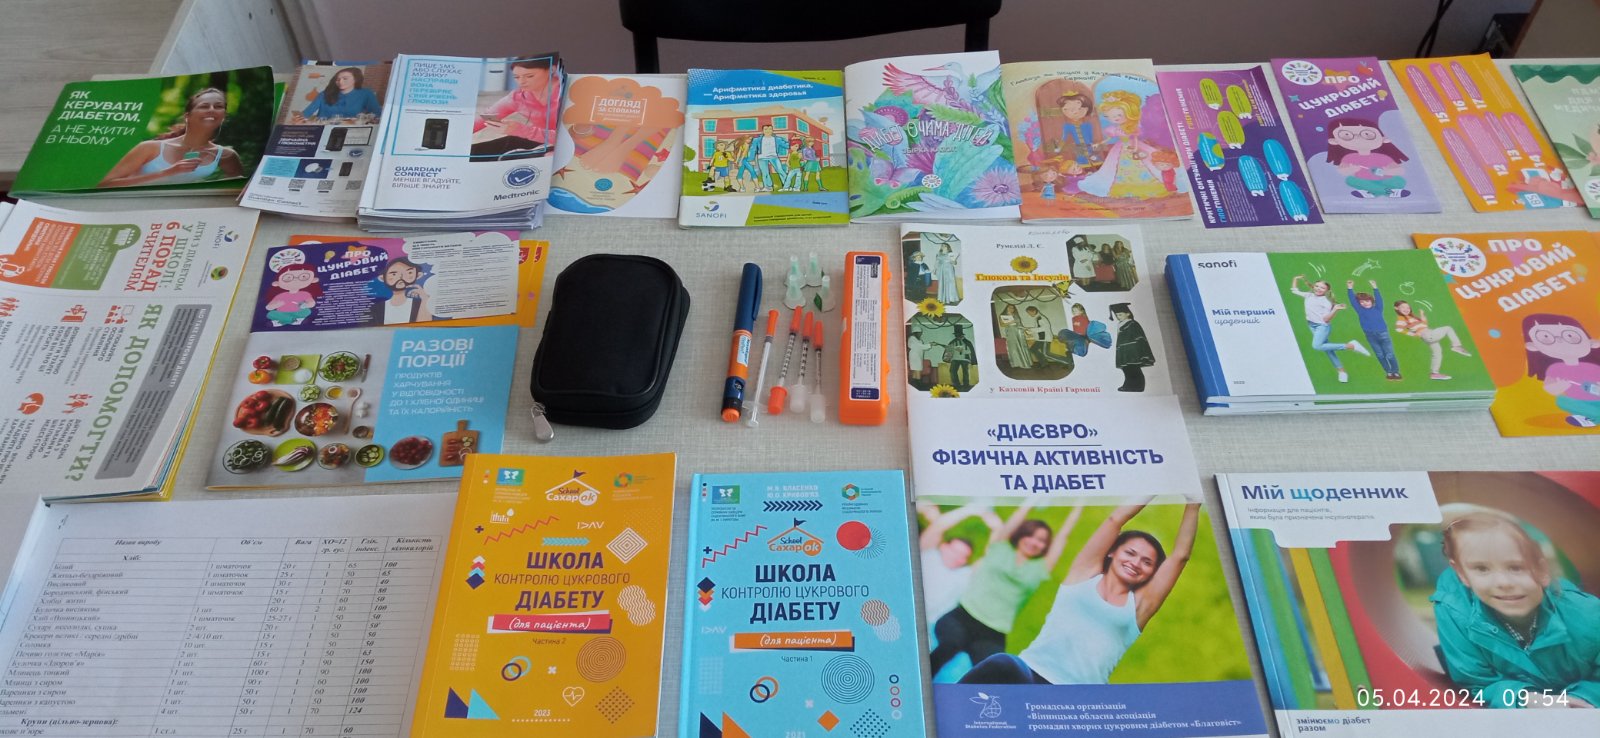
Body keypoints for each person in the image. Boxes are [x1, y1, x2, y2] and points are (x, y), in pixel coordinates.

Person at [960, 499, 1200, 685]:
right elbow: (1115, 520)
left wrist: (1193, 503)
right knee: (1002, 663)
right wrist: (1154, 484)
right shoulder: (1083, 575)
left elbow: (1180, 556)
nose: (1136, 563)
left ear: (1152, 573)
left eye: (1147, 562)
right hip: (1030, 672)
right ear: (1112, 552)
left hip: (1077, 696)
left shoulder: (1139, 606)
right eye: (1130, 553)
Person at [1430, 511, 1600, 708]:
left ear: (1542, 571)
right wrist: (1524, 698)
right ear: (1462, 574)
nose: (1503, 583)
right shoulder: (1454, 611)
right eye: (1482, 569)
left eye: (1516, 567)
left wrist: (1578, 699)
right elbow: (1476, 683)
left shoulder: (1587, 615)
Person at [929, 503, 1076, 675]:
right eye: (1030, 535)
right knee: (949, 645)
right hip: (962, 617)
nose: (1034, 542)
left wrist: (1078, 505)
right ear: (1021, 534)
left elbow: (1063, 537)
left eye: (1041, 540)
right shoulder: (1000, 547)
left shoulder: (1041, 568)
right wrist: (1029, 502)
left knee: (996, 674)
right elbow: (1014, 520)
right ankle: (919, 683)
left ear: (1046, 546)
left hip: (993, 633)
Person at [99, 88, 243, 187]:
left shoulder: (226, 155)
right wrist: (168, 173)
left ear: (224, 116)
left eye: (218, 106)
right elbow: (104, 184)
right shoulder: (150, 148)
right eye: (204, 106)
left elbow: (235, 186)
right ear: (187, 116)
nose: (212, 109)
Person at [918, 503, 1002, 627]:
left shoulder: (964, 575)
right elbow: (938, 527)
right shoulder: (928, 555)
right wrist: (971, 510)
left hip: (930, 626)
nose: (957, 557)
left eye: (963, 556)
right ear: (943, 546)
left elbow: (989, 556)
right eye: (955, 551)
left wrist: (997, 529)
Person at [1078, 91, 1167, 199]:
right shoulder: (1114, 129)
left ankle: (1146, 183)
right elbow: (1109, 138)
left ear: (1129, 113)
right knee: (1115, 166)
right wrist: (1100, 143)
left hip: (1132, 146)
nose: (1115, 118)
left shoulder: (1132, 128)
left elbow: (1134, 139)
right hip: (1119, 148)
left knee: (1142, 164)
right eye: (1111, 116)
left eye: (1119, 115)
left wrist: (1135, 148)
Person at [1521, 313, 1600, 428]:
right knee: (1561, 401)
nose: (1560, 341)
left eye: (1571, 336)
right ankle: (1593, 416)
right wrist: (1558, 387)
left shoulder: (1593, 366)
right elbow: (1550, 388)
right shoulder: (1555, 368)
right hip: (1580, 401)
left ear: (1592, 342)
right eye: (1546, 337)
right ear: (1533, 346)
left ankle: (1594, 417)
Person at [1290, 274, 1371, 383]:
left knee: (1317, 346)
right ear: (1313, 286)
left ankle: (1351, 346)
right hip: (1311, 325)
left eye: (1322, 288)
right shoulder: (1309, 295)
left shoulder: (1326, 302)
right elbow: (1294, 290)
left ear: (1327, 290)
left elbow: (1326, 319)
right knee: (1328, 349)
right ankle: (1342, 372)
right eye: (1317, 286)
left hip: (1322, 327)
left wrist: (1335, 309)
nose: (1318, 289)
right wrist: (1295, 279)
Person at [473, 58, 560, 152]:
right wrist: (462, 132)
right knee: (476, 151)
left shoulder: (567, 93)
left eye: (529, 76)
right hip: (541, 139)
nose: (521, 82)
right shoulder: (518, 97)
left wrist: (521, 130)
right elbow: (486, 117)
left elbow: (568, 138)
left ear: (551, 70)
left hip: (563, 145)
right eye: (516, 77)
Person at [1326, 117, 1410, 199]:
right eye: (1346, 135)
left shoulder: (1383, 157)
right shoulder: (1349, 158)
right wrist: (1351, 169)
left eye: (1367, 134)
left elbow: (1399, 170)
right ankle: (1389, 192)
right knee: (1350, 180)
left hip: (1385, 180)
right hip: (1365, 181)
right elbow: (1342, 171)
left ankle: (1373, 192)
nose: (1358, 138)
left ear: (1383, 138)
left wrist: (1385, 172)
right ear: (1334, 141)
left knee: (1399, 180)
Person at [1394, 300, 1471, 381]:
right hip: (1427, 335)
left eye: (1408, 307)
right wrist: (1413, 334)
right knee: (1448, 328)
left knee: (1437, 353)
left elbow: (1424, 324)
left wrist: (1422, 315)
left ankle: (1434, 374)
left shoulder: (1412, 317)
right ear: (1396, 308)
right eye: (1403, 307)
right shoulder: (1401, 319)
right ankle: (1456, 346)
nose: (1406, 309)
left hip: (1428, 334)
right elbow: (1398, 329)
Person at [1348, 280, 1400, 380]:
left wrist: (1375, 287)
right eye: (1362, 302)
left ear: (1372, 301)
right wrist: (1350, 288)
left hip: (1383, 334)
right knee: (1380, 355)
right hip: (1370, 336)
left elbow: (1379, 299)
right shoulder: (1360, 310)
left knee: (1389, 354)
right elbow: (1353, 301)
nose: (1365, 303)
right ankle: (1388, 372)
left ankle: (1396, 371)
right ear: (1359, 304)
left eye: (1367, 301)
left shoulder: (1378, 308)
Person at [299, 67, 381, 121]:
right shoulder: (324, 94)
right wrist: (300, 120)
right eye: (338, 79)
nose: (340, 82)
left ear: (356, 79)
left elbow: (377, 115)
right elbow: (305, 114)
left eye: (345, 79)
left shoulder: (366, 93)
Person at [375, 257, 433, 324]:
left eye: (409, 272)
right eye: (394, 274)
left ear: (417, 275)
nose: (401, 277)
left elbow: (424, 325)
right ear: (383, 278)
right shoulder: (377, 307)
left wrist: (425, 299)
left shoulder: (420, 303)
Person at [1112, 303, 1155, 392]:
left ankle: (1138, 386)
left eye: (1120, 315)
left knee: (1134, 368)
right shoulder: (1120, 324)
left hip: (1132, 351)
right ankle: (1129, 385)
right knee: (1126, 368)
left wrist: (1137, 350)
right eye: (1117, 315)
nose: (1118, 317)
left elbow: (1139, 338)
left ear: (1128, 313)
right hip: (1123, 350)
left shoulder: (1133, 324)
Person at [1055, 91, 1098, 166]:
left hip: (1089, 147)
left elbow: (1090, 137)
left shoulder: (1088, 125)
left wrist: (1092, 145)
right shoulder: (1067, 126)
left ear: (1086, 109)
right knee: (1082, 162)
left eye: (1079, 108)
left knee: (1094, 160)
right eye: (1066, 109)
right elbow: (1064, 138)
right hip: (1079, 148)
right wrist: (1059, 147)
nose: (1074, 112)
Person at [750, 124, 789, 192]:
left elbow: (787, 146)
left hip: (774, 157)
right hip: (762, 158)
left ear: (772, 130)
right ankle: (768, 187)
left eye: (770, 129)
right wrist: (751, 159)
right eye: (766, 129)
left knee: (780, 170)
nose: (768, 131)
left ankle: (787, 186)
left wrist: (794, 142)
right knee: (765, 173)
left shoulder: (777, 139)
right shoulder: (757, 140)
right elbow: (753, 149)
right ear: (762, 131)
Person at [999, 305, 1034, 370]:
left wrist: (1026, 332)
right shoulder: (1003, 316)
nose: (1011, 309)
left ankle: (1026, 363)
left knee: (1022, 346)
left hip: (1019, 332)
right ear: (1006, 308)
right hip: (1011, 332)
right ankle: (1017, 363)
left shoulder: (1016, 315)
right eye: (1009, 307)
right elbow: (1002, 325)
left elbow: (1020, 325)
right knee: (1014, 348)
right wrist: (1010, 322)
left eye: (1013, 308)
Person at [947, 325, 977, 389]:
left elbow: (970, 351)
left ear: (961, 334)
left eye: (958, 334)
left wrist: (962, 351)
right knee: (952, 371)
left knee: (965, 371)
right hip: (955, 359)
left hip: (964, 359)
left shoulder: (967, 342)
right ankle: (956, 385)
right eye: (956, 334)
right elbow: (949, 351)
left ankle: (966, 385)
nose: (957, 336)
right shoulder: (952, 342)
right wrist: (950, 351)